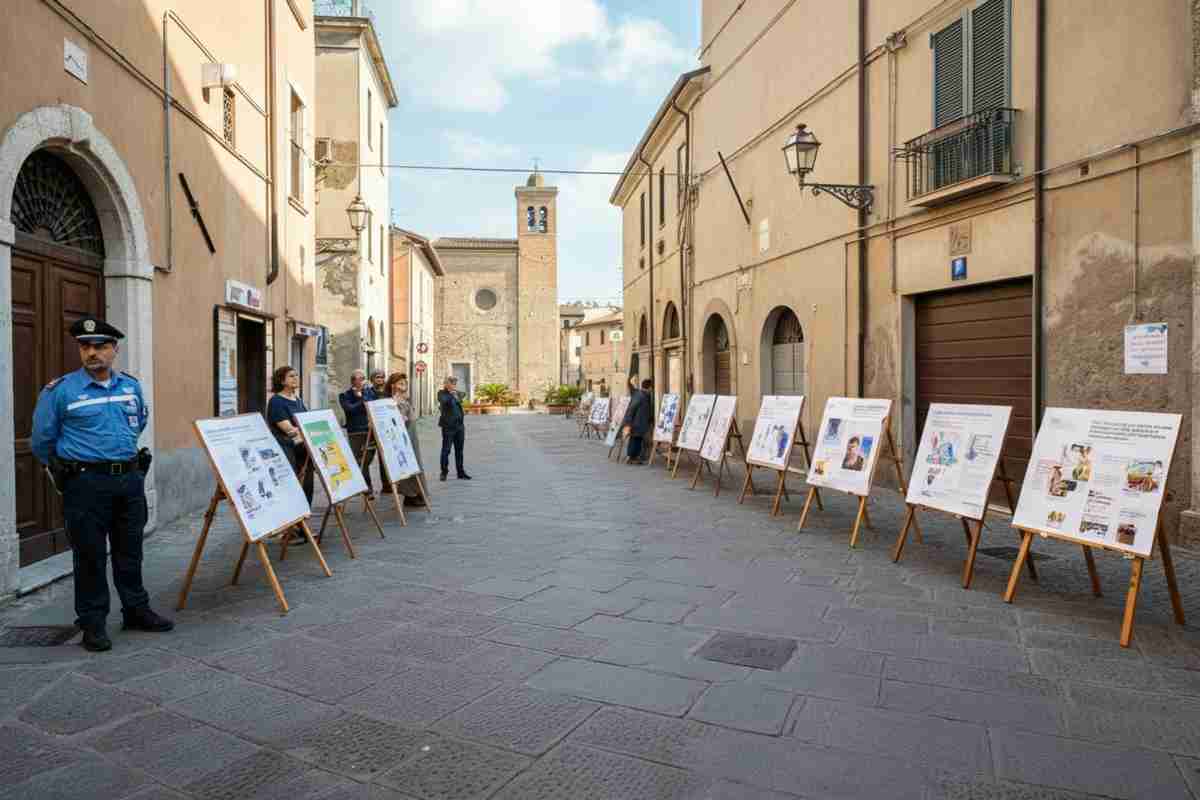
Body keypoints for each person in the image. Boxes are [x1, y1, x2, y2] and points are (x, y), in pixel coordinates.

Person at [31, 316, 174, 652]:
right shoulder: (61, 391)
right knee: (90, 555)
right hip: (86, 484)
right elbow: (41, 441)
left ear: (114, 350)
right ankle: (93, 622)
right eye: (85, 346)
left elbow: (138, 423)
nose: (92, 352)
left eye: (100, 346)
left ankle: (136, 610)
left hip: (128, 479)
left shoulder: (130, 386)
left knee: (131, 552)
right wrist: (71, 469)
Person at [267, 365, 314, 544]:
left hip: (304, 449)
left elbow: (306, 421)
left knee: (307, 485)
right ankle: (290, 528)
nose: (296, 378)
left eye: (296, 375)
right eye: (291, 376)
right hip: (287, 451)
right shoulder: (276, 402)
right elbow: (288, 429)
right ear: (281, 380)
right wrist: (306, 432)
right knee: (293, 487)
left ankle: (302, 526)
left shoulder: (297, 399)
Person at [384, 372, 428, 506]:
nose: (404, 385)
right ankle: (410, 495)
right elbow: (397, 420)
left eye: (405, 383)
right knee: (408, 466)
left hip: (411, 436)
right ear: (393, 386)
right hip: (404, 439)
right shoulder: (394, 400)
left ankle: (417, 493)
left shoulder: (404, 399)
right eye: (400, 383)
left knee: (415, 464)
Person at [339, 369, 378, 496]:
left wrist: (364, 396)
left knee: (367, 459)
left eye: (363, 378)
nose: (362, 381)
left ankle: (361, 484)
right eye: (359, 378)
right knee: (359, 460)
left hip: (370, 431)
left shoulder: (369, 393)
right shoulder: (345, 395)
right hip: (355, 432)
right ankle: (367, 487)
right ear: (353, 381)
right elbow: (350, 410)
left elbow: (374, 404)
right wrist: (362, 399)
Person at [437, 375, 470, 481]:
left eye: (454, 383)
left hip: (460, 426)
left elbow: (463, 394)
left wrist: (455, 393)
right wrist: (451, 394)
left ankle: (460, 472)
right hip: (448, 427)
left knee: (459, 450)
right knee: (446, 450)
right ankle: (444, 472)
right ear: (446, 384)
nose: (453, 385)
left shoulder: (457, 394)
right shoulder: (441, 393)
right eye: (451, 383)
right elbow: (444, 401)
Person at [621, 379, 655, 464]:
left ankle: (634, 457)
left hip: (641, 423)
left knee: (637, 440)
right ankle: (632, 457)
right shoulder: (640, 395)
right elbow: (631, 409)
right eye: (651, 387)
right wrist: (628, 423)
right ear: (649, 387)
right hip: (637, 423)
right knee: (635, 440)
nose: (652, 389)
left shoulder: (643, 395)